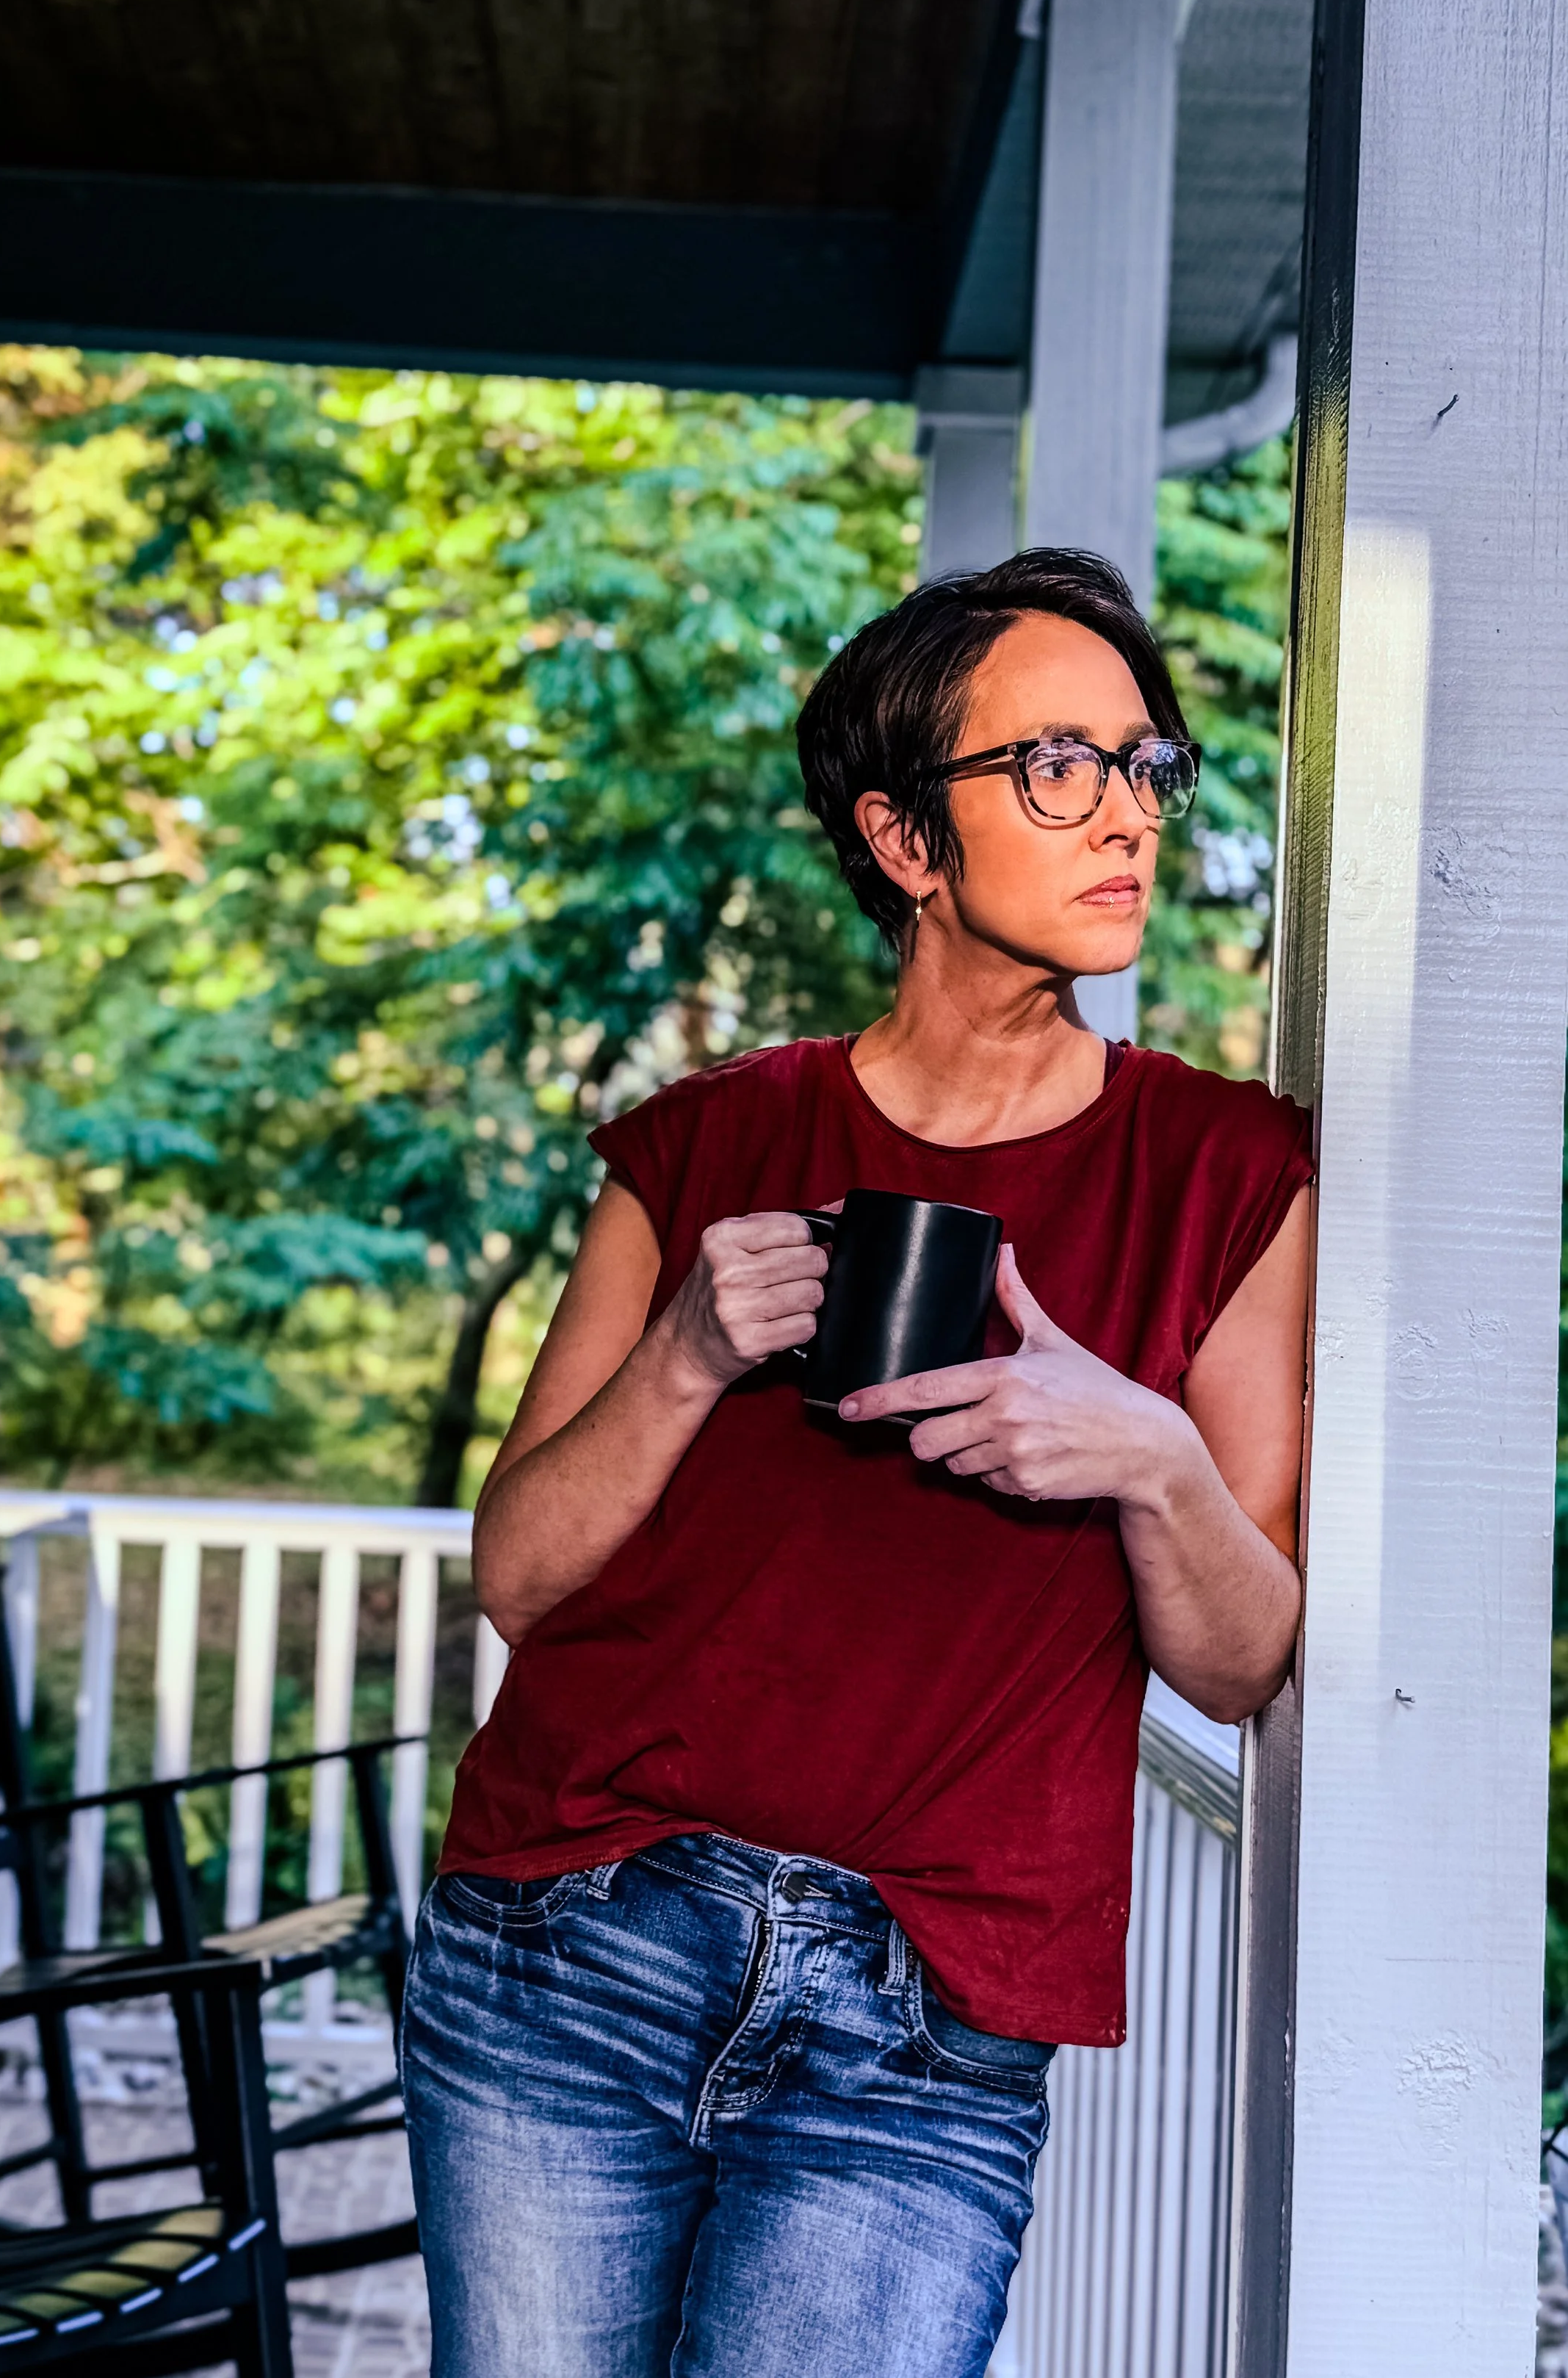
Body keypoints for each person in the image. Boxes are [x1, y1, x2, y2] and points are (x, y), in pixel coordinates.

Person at [400, 550, 1312, 2378]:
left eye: (1145, 765)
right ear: (905, 841)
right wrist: (685, 1352)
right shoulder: (712, 1134)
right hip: (576, 1934)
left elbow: (1235, 1656)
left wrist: (1148, 1459)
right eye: (1057, 764)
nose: (1124, 813)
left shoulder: (1226, 1172)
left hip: (927, 2009)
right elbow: (519, 1572)